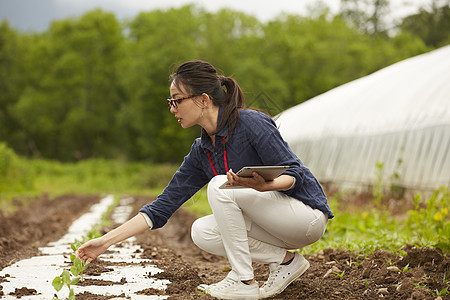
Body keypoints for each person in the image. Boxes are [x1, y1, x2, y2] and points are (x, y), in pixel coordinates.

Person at [76, 60, 334, 299]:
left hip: (304, 216)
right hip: (272, 228)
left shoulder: (252, 123)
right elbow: (161, 208)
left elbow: (295, 174)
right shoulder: (202, 150)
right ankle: (286, 261)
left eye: (177, 100)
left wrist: (264, 185)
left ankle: (243, 282)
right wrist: (104, 242)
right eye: (170, 101)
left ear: (203, 100)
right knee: (202, 231)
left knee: (218, 186)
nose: (172, 108)